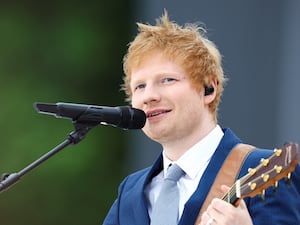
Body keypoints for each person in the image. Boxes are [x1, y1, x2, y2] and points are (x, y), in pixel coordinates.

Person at [103, 11, 300, 225]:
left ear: (208, 89)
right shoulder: (130, 192)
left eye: (167, 80)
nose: (149, 96)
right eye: (139, 86)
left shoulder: (266, 169)